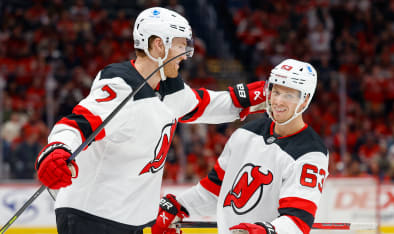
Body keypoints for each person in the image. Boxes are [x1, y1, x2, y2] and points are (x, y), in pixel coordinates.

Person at [34, 7, 266, 234]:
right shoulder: (120, 86)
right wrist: (57, 149)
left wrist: (265, 93)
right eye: (180, 44)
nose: (186, 53)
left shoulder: (169, 90)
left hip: (126, 219)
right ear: (159, 45)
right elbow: (76, 124)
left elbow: (210, 105)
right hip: (91, 217)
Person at [153, 59, 329, 234]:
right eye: (276, 92)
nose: (278, 101)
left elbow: (297, 222)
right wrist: (180, 205)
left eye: (289, 95)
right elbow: (215, 190)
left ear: (305, 100)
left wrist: (266, 231)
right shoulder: (246, 133)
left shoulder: (311, 153)